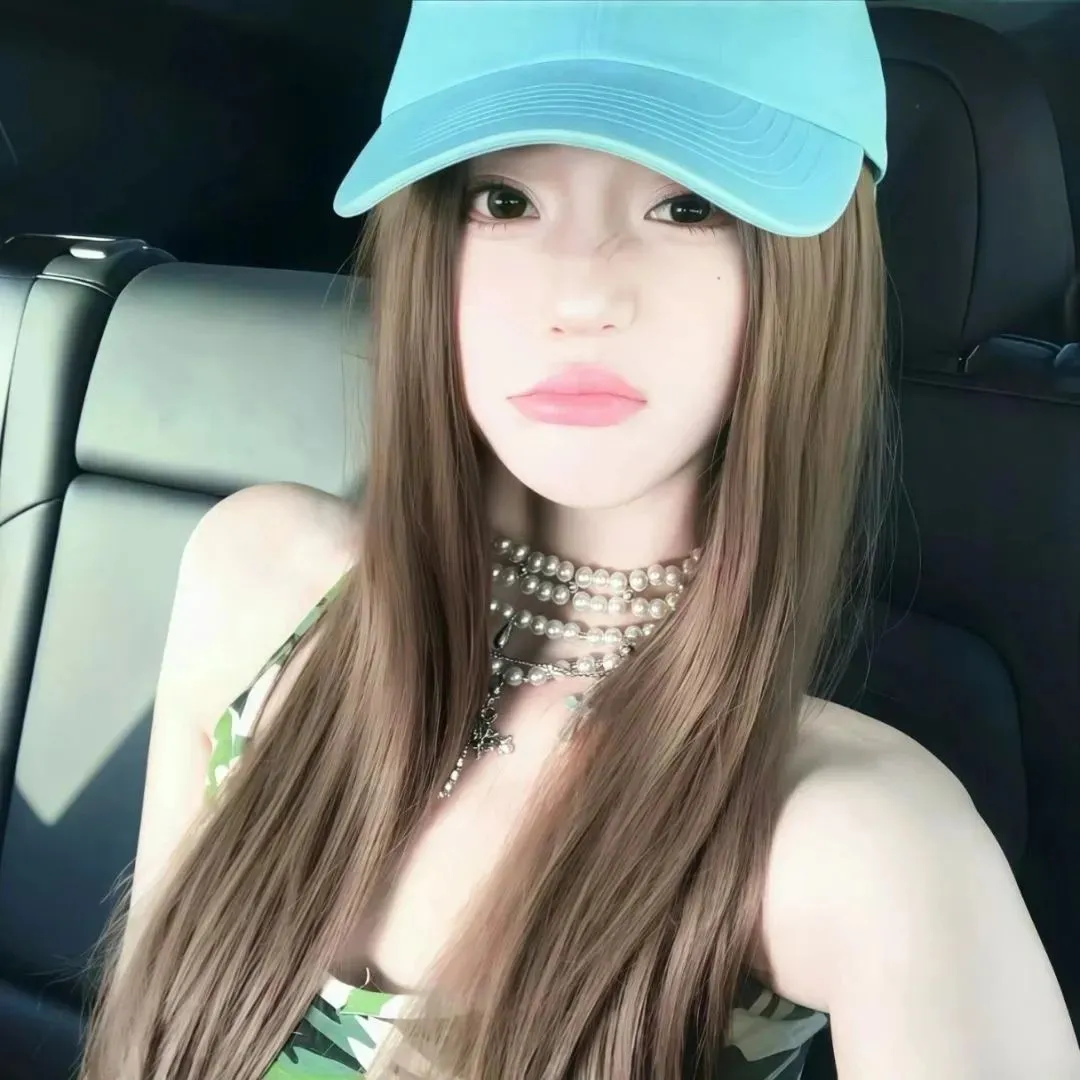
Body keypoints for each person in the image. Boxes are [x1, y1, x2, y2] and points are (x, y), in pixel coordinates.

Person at [80, 2, 1080, 1078]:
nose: (583, 292)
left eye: (689, 205)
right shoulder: (256, 581)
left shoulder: (862, 841)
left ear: (808, 273)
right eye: (505, 200)